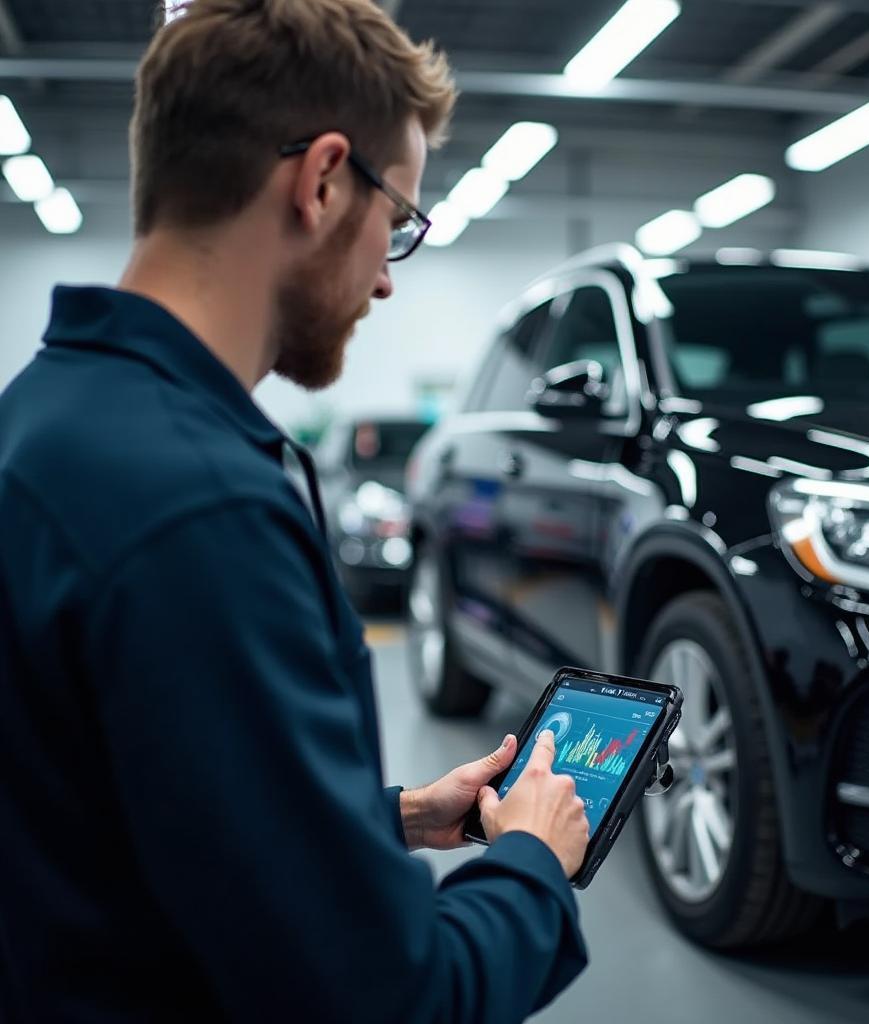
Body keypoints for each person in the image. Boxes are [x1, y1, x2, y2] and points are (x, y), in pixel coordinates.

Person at [0, 1, 591, 1020]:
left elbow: (134, 808)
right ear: (322, 180)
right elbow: (390, 999)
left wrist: (389, 817)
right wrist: (534, 860)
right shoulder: (200, 509)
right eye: (398, 221)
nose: (388, 282)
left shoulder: (44, 418)